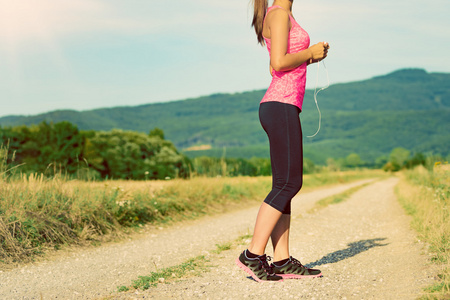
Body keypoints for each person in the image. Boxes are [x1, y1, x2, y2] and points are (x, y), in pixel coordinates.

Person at [235, 0, 330, 282]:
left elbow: (276, 64)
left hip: (282, 104)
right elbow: (277, 62)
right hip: (280, 104)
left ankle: (282, 260)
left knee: (284, 185)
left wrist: (311, 57)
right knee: (290, 183)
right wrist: (309, 52)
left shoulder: (282, 14)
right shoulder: (278, 14)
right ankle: (252, 255)